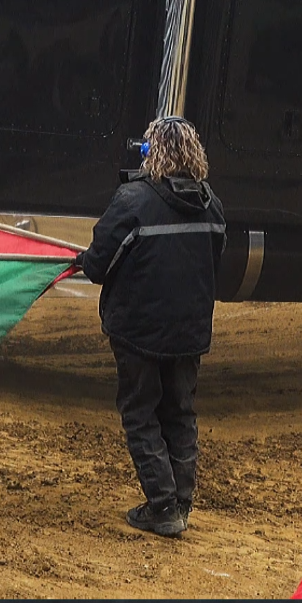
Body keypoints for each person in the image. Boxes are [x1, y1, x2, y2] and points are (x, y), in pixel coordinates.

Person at [79, 115, 228, 538]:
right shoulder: (212, 204)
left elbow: (97, 266)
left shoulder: (131, 201)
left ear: (153, 153)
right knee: (180, 414)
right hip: (189, 333)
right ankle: (179, 503)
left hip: (139, 333)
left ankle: (161, 506)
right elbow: (213, 262)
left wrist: (88, 260)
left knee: (141, 413)